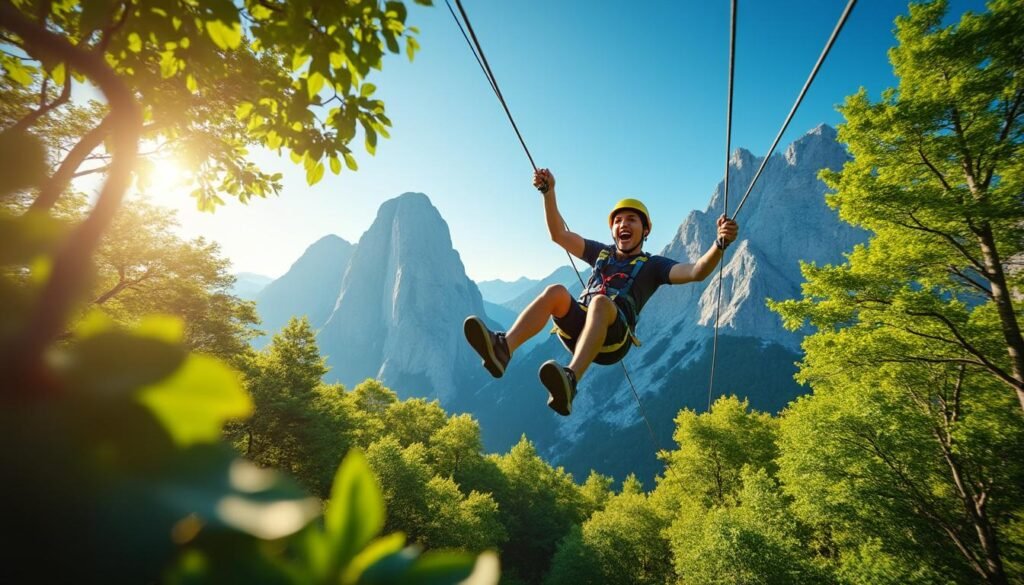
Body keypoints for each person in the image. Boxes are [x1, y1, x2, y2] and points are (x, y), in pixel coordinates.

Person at [463, 168, 738, 416]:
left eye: (632, 220)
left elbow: (697, 271)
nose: (623, 225)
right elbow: (559, 235)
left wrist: (719, 244)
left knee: (601, 304)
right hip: (579, 329)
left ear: (645, 231)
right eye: (618, 221)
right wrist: (549, 193)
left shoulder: (653, 266)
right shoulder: (600, 253)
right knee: (556, 291)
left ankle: (571, 379)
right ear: (613, 230)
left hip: (613, 341)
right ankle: (503, 349)